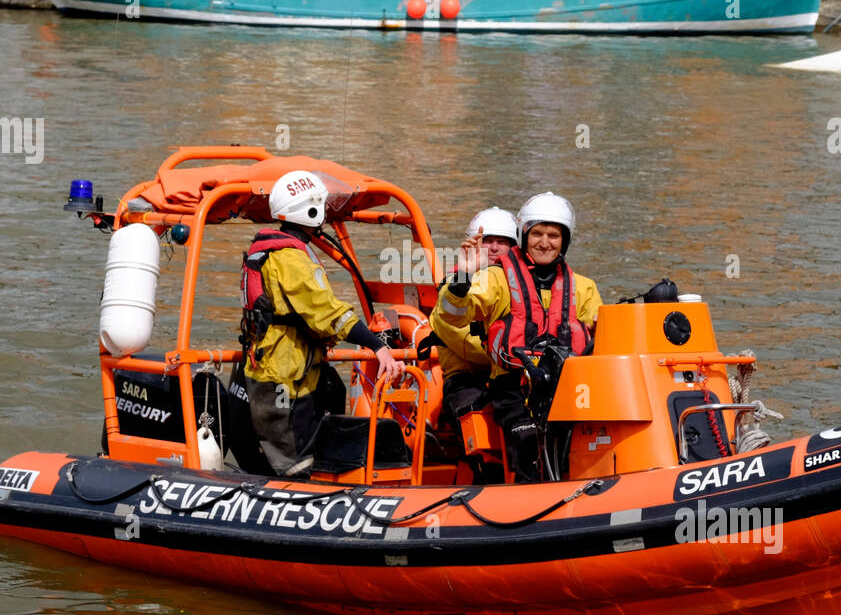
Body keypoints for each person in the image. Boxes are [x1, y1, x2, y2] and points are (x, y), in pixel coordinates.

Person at [240, 170, 404, 478]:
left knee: (325, 405)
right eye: (321, 204)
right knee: (297, 464)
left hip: (278, 370)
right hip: (287, 378)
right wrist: (376, 345)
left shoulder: (272, 249)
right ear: (309, 208)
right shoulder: (292, 258)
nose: (326, 210)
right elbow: (329, 313)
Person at [436, 193, 601, 484]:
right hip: (513, 386)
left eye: (553, 235)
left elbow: (598, 340)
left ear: (565, 240)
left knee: (584, 439)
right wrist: (462, 277)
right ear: (525, 236)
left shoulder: (584, 288)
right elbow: (454, 316)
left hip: (570, 386)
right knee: (527, 441)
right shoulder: (495, 279)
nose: (545, 242)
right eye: (537, 233)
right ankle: (528, 505)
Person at [429, 208, 518, 436]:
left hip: (512, 376)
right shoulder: (453, 287)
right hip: (466, 380)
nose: (495, 248)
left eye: (503, 241)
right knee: (480, 421)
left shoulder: (521, 285)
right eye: (488, 241)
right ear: (473, 243)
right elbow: (468, 343)